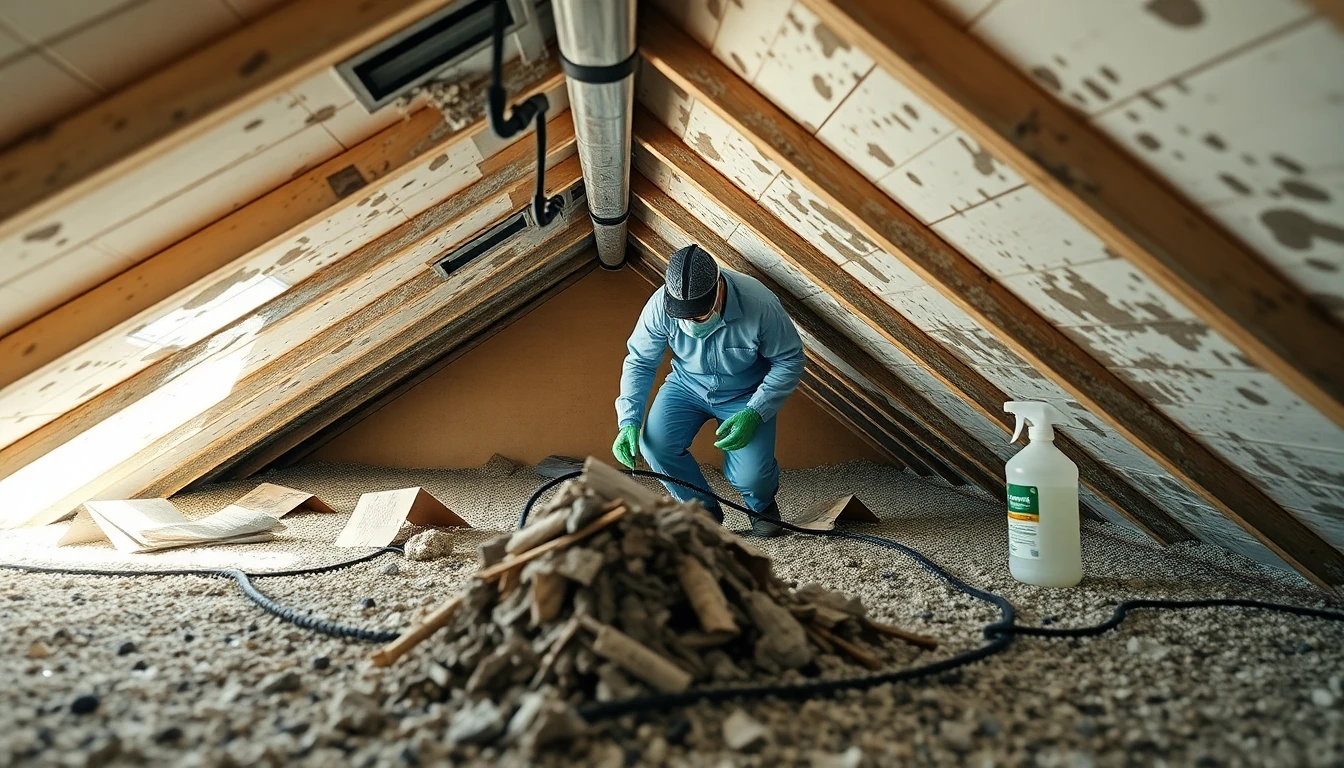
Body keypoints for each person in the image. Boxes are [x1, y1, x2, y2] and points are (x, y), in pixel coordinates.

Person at [612, 243, 805, 536]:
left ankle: (762, 506)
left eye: (697, 316)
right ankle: (701, 509)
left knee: (752, 476)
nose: (689, 324)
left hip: (746, 394)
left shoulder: (760, 305)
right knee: (653, 444)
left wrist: (756, 410)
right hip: (686, 386)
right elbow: (639, 362)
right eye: (683, 317)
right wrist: (628, 420)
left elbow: (789, 360)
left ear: (718, 291)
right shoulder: (659, 306)